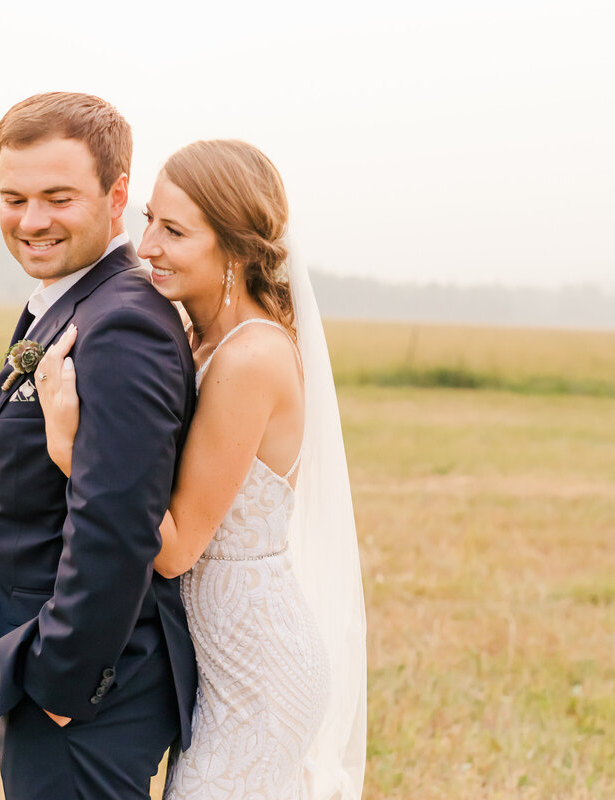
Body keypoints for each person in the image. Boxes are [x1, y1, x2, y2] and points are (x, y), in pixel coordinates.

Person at [37, 139, 367, 799]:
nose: (148, 245)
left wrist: (72, 448)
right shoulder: (199, 338)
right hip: (218, 665)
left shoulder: (250, 359)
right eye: (150, 219)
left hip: (258, 671)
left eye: (176, 231)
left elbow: (177, 548)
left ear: (236, 253)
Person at [0, 92, 199, 800]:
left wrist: (63, 681)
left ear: (116, 194)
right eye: (14, 197)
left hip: (89, 696)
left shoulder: (122, 324)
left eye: (57, 197)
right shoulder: (75, 300)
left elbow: (119, 521)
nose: (31, 221)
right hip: (47, 676)